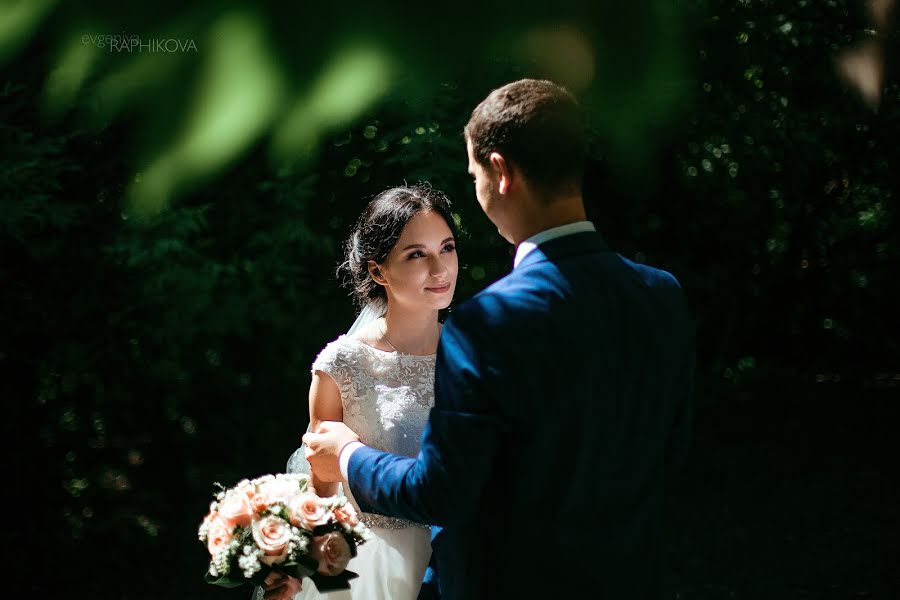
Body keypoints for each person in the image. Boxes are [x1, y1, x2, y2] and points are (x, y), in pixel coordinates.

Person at [303, 79, 695, 599]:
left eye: (474, 175)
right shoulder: (661, 296)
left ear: (501, 172)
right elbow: (672, 451)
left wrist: (349, 453)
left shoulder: (487, 325)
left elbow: (440, 492)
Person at [264, 184, 459, 600]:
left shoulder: (476, 356)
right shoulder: (342, 365)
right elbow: (318, 487)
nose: (440, 269)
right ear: (377, 271)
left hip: (459, 564)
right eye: (416, 254)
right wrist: (295, 567)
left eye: (447, 248)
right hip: (367, 570)